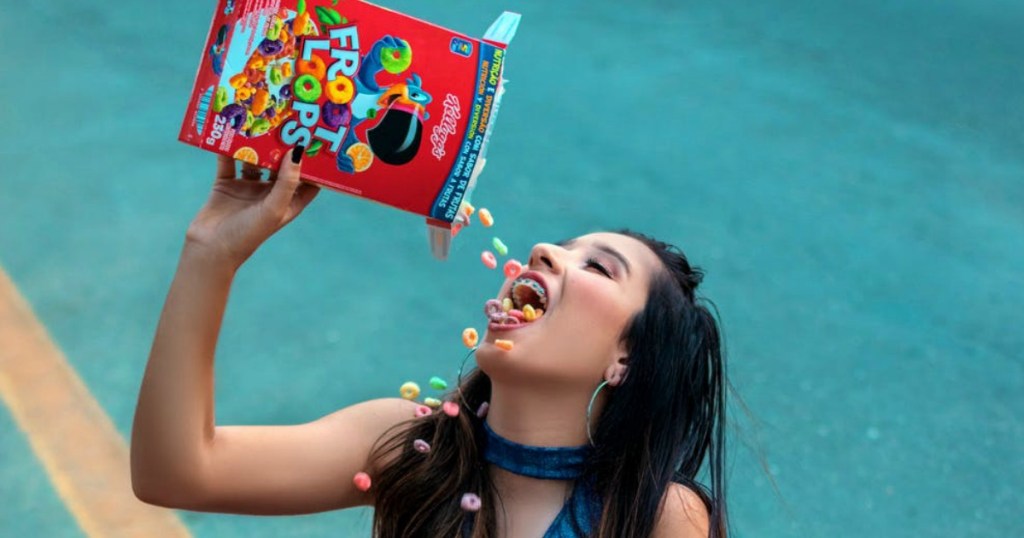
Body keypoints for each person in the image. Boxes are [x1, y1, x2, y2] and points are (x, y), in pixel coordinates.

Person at [131, 148, 729, 537]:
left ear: (625, 358)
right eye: (562, 246)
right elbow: (177, 473)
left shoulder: (657, 518)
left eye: (598, 268)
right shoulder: (407, 446)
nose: (547, 250)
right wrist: (211, 253)